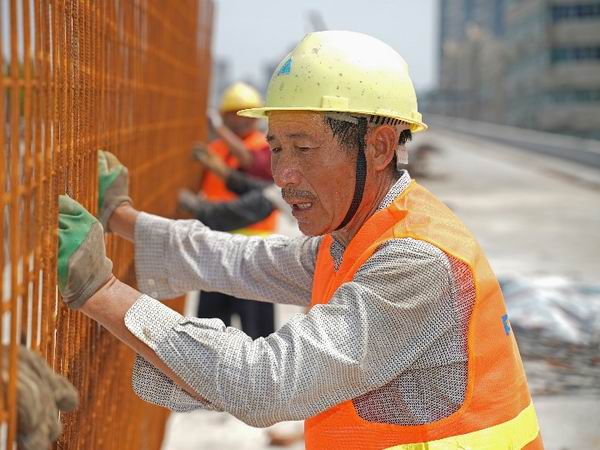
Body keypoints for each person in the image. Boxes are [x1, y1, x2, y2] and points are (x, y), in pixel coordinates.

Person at [57, 31, 542, 449]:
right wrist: (125, 220)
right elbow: (245, 260)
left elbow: (267, 382)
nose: (284, 175)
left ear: (377, 147)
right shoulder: (362, 234)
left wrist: (101, 290)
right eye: (276, 147)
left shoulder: (415, 262)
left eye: (304, 148)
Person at [197, 82, 279, 338]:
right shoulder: (214, 150)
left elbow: (249, 162)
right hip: (216, 246)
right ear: (223, 115)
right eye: (234, 113)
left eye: (246, 112)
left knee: (257, 332)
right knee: (210, 329)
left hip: (253, 252)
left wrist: (219, 130)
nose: (241, 119)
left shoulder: (265, 147)